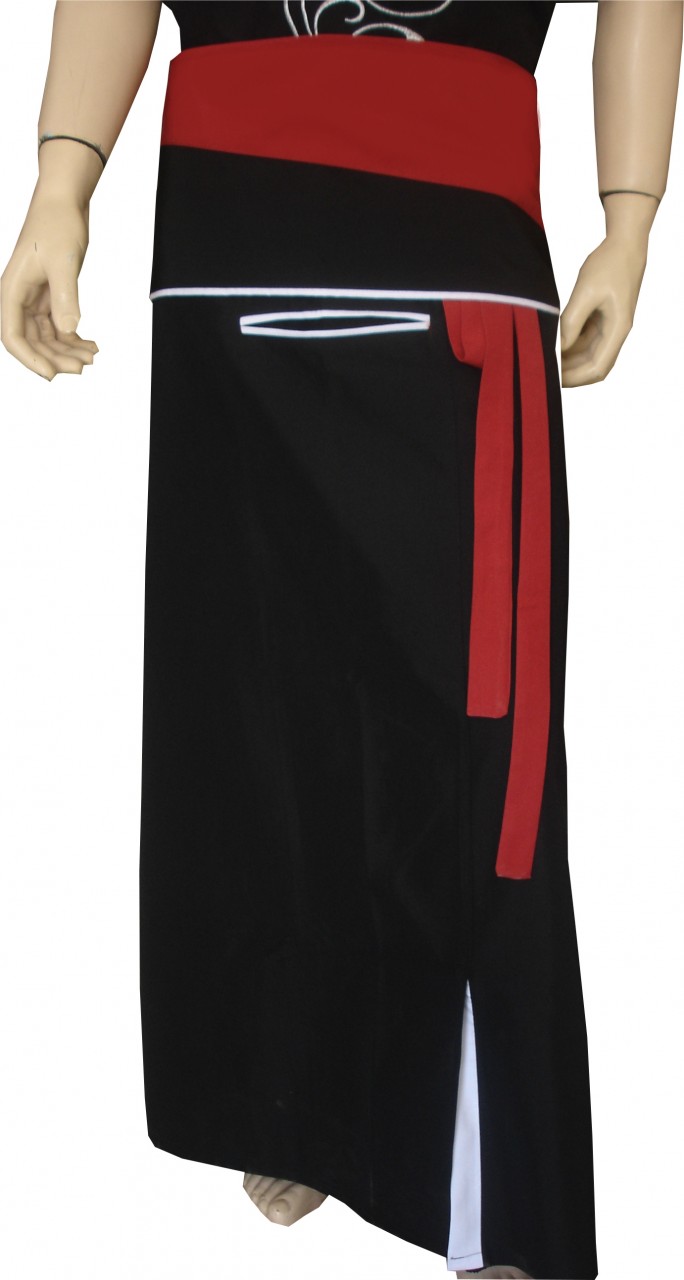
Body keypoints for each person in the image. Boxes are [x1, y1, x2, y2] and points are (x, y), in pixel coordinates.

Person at [1, 4, 681, 1278]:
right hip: (232, 252)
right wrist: (58, 185)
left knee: (475, 746)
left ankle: (497, 1190)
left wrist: (630, 221)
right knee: (259, 700)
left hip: (446, 248)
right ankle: (311, 1091)